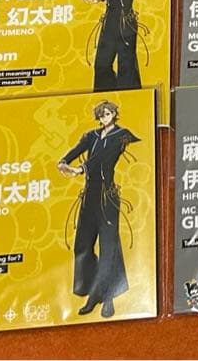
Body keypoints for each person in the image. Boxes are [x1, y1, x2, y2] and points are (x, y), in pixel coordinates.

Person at [57, 100, 140, 319]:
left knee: (108, 247)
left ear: (114, 114)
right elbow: (78, 149)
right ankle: (94, 291)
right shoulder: (91, 135)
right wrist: (64, 161)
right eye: (101, 114)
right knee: (82, 245)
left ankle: (108, 296)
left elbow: (104, 157)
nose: (104, 117)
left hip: (107, 197)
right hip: (89, 196)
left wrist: (80, 169)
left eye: (108, 113)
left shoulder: (122, 136)